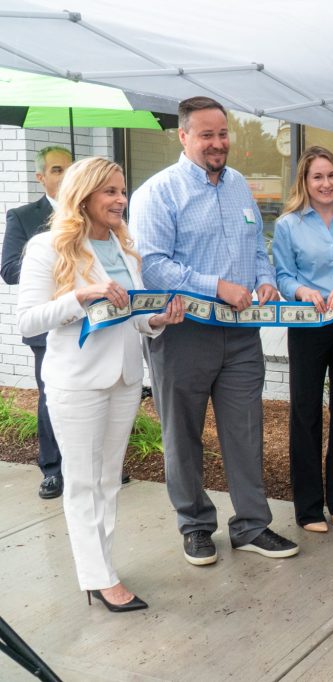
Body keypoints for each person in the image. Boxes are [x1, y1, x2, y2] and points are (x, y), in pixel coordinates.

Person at [131, 96, 299, 565]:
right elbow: (153, 267)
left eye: (222, 134)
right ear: (183, 137)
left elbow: (256, 245)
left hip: (242, 337)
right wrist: (216, 287)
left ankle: (251, 525)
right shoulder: (158, 193)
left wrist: (263, 279)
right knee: (182, 435)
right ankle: (195, 525)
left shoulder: (240, 185)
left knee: (246, 432)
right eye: (206, 135)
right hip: (184, 333)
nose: (217, 143)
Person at [16, 157, 185, 611]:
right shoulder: (47, 247)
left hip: (126, 376)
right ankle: (98, 577)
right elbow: (28, 320)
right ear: (84, 195)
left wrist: (158, 320)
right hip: (77, 380)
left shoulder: (126, 248)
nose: (121, 200)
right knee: (83, 480)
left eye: (123, 190)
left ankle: (101, 567)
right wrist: (78, 296)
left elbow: (133, 318)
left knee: (109, 479)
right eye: (110, 191)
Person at [272, 147, 333, 533]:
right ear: (305, 182)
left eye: (331, 176)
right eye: (317, 177)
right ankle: (309, 508)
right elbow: (281, 275)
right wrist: (301, 292)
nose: (326, 183)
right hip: (308, 325)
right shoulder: (288, 225)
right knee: (305, 413)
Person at [2, 145, 72, 500]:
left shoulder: (91, 214)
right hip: (47, 326)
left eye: (69, 169)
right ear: (40, 176)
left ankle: (88, 463)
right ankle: (53, 469)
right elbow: (9, 270)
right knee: (52, 398)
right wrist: (48, 264)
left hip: (88, 323)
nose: (65, 176)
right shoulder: (23, 216)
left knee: (91, 393)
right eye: (57, 170)